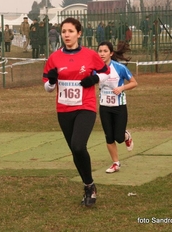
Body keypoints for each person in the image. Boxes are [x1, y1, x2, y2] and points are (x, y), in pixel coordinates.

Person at [42, 17, 110, 207]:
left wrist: (95, 79)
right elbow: (47, 88)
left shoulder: (89, 55)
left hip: (85, 107)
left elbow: (107, 73)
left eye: (71, 31)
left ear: (79, 33)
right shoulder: (54, 57)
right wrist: (53, 81)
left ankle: (90, 187)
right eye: (64, 31)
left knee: (78, 145)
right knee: (75, 150)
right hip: (63, 109)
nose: (67, 35)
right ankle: (89, 185)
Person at [97, 41, 137, 173]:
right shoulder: (96, 69)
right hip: (104, 106)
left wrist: (122, 88)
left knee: (118, 137)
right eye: (100, 51)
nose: (102, 54)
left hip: (119, 106)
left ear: (111, 53)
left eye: (105, 51)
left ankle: (125, 135)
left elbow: (134, 83)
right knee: (109, 136)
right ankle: (115, 163)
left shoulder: (119, 68)